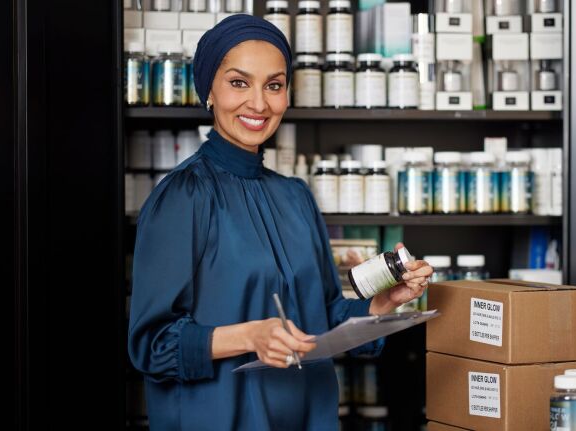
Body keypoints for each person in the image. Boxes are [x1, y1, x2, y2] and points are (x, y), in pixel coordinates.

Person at [127, 15, 433, 430]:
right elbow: (151, 345)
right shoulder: (183, 197)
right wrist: (249, 337)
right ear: (209, 92)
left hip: (307, 416)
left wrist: (385, 303)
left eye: (273, 85)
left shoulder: (296, 196)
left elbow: (322, 314)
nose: (258, 103)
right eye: (239, 82)